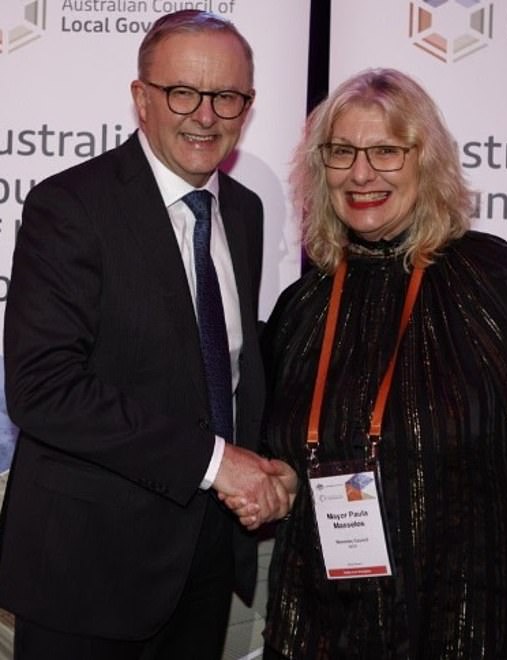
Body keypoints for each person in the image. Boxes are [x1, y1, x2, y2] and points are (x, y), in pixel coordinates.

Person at [248, 69, 507, 659]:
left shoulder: (490, 281)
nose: (360, 173)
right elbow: (297, 451)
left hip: (486, 626)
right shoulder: (304, 307)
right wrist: (280, 478)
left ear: (426, 163)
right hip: (335, 630)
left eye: (385, 151)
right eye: (342, 151)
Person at [0, 10, 296, 660]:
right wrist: (221, 465)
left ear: (248, 106)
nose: (205, 115)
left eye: (227, 96)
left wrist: (273, 470)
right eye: (183, 92)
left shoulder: (243, 210)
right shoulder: (70, 207)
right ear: (141, 98)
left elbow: (226, 371)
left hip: (206, 563)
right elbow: (43, 390)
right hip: (87, 571)